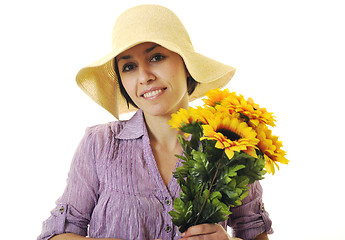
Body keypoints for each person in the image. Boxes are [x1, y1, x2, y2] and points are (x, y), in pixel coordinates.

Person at [38, 4, 273, 240]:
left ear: (187, 66)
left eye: (157, 57)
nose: (144, 77)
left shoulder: (229, 148)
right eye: (129, 67)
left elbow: (254, 232)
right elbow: (56, 234)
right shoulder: (99, 144)